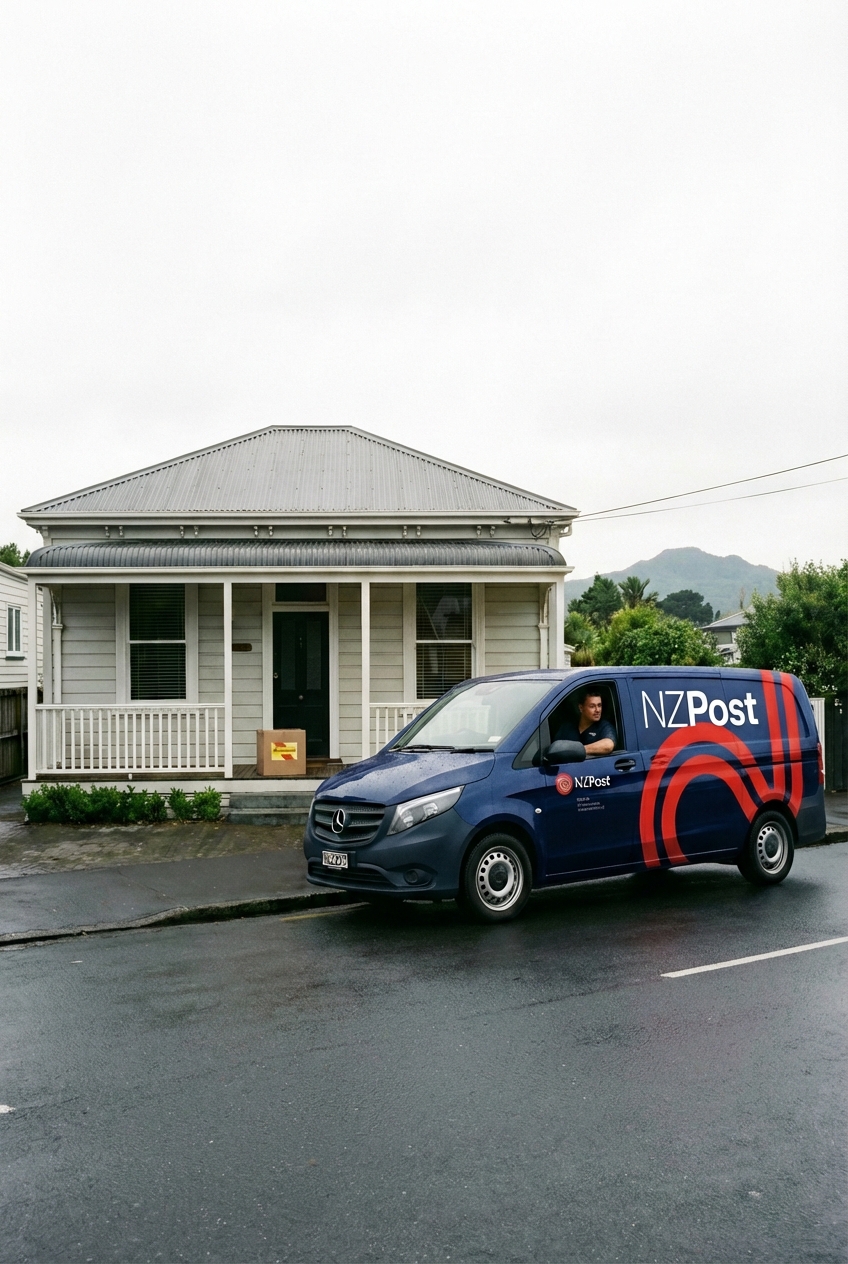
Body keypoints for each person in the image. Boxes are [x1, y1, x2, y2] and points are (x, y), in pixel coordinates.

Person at [555, 688, 616, 756]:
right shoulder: (567, 727)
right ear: (581, 708)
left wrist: (578, 750)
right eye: (592, 706)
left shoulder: (604, 726)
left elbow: (608, 745)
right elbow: (555, 749)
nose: (597, 710)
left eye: (599, 705)